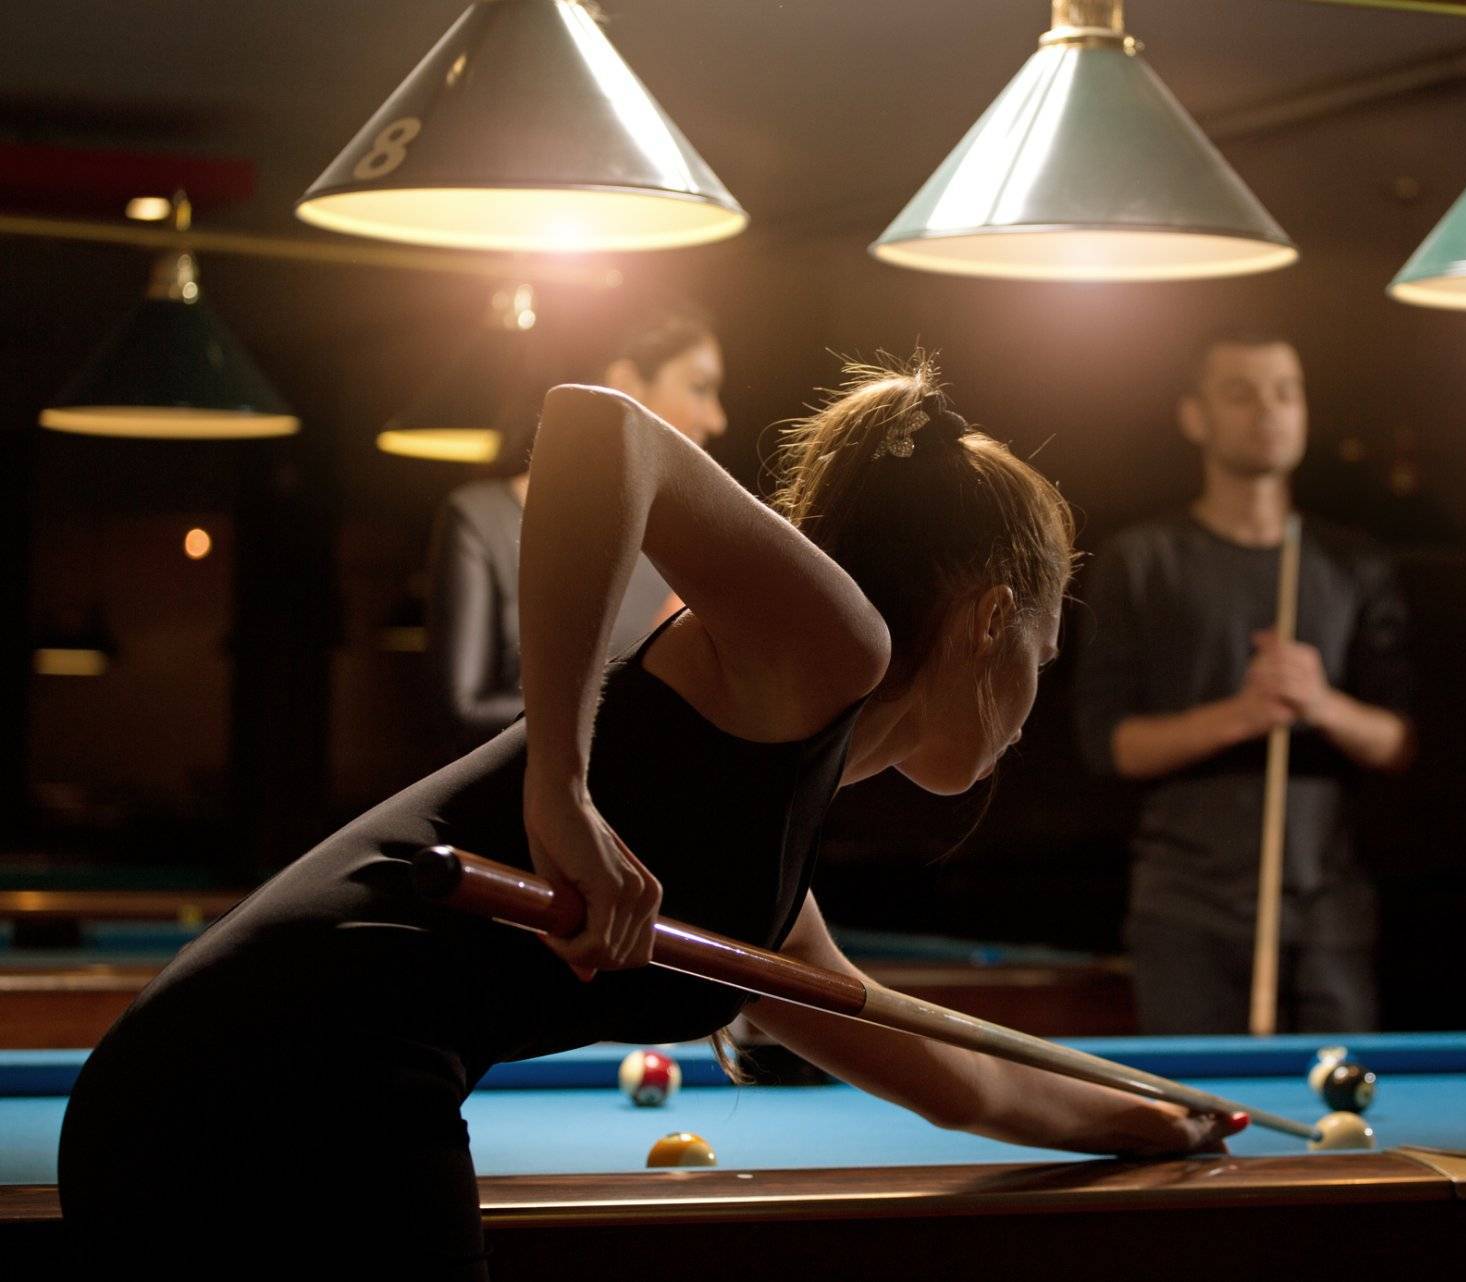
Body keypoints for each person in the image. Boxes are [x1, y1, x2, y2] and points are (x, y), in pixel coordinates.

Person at [59, 358, 1236, 1276]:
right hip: (276, 1081)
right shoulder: (832, 649)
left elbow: (959, 1078)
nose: (1039, 696)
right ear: (990, 619)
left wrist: (1149, 1121)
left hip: (249, 1085)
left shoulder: (771, 871)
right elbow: (594, 424)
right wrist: (558, 789)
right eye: (1048, 640)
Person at [1073, 332, 1415, 1036]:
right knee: (1202, 1130)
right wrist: (1244, 713)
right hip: (1186, 908)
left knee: (1343, 1135)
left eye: (1286, 391)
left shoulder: (1352, 563)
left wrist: (1318, 704)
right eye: (1242, 393)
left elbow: (1398, 741)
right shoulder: (1143, 561)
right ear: (1194, 417)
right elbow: (1110, 745)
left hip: (1328, 907)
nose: (1269, 410)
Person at [426, 308, 727, 751]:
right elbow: (463, 709)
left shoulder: (693, 539)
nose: (718, 419)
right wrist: (640, 711)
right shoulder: (481, 516)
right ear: (626, 385)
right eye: (699, 388)